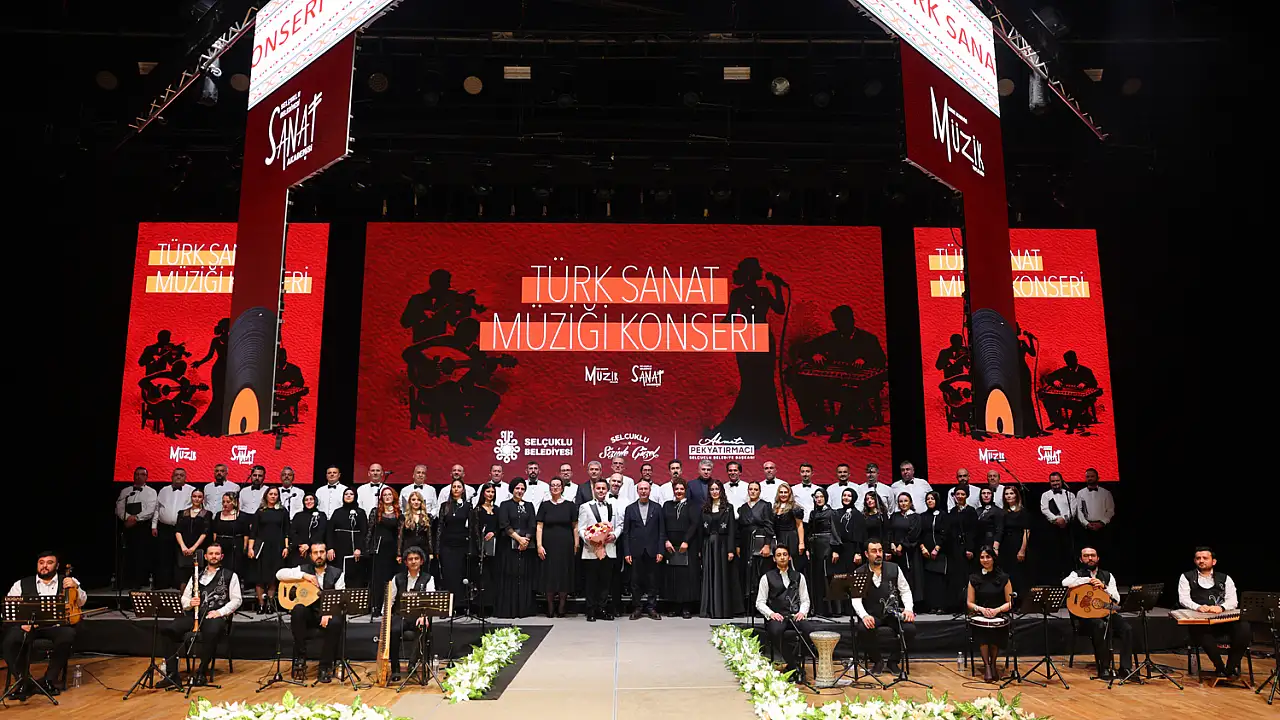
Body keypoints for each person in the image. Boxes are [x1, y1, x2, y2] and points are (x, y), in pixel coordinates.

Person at [712, 257, 799, 448]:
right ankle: (748, 432)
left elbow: (780, 309)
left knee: (766, 384)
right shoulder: (737, 294)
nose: (762, 271)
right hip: (746, 340)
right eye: (758, 269)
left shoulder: (764, 292)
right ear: (751, 273)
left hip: (764, 339)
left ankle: (772, 432)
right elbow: (730, 317)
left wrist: (777, 287)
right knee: (750, 384)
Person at [790, 304, 886, 443]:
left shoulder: (868, 338)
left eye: (843, 323)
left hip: (865, 384)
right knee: (802, 385)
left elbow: (881, 360)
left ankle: (840, 429)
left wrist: (864, 360)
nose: (839, 326)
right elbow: (805, 349)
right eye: (837, 323)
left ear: (851, 321)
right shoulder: (832, 337)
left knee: (850, 390)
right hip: (837, 381)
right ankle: (816, 422)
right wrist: (814, 355)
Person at [160, 543, 242, 687]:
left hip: (214, 616)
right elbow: (184, 599)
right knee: (168, 630)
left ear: (222, 556)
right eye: (211, 554)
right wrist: (190, 603)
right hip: (194, 615)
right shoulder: (196, 575)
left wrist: (220, 612)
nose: (214, 556)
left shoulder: (230, 575)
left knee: (211, 631)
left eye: (217, 554)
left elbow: (237, 600)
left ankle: (201, 672)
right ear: (205, 556)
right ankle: (172, 674)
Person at [3, 552, 83, 698]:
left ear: (57, 566)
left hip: (55, 627)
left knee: (68, 634)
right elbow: (10, 608)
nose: (44, 566)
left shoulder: (67, 581)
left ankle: (49, 680)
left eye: (49, 563)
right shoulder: (21, 584)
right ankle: (23, 681)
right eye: (41, 562)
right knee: (10, 640)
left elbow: (82, 601)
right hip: (29, 626)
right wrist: (21, 624)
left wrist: (76, 587)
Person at [275, 543, 345, 682]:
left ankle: (325, 667)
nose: (319, 555)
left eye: (322, 552)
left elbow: (340, 598)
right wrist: (304, 575)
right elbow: (279, 574)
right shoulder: (303, 569)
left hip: (327, 614)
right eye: (315, 552)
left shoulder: (337, 573)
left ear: (326, 554)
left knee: (336, 621)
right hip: (309, 614)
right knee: (298, 610)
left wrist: (328, 612)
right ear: (310, 555)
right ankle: (301, 658)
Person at [1178, 547, 1250, 680]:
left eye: (1205, 558)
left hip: (1224, 620)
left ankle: (1231, 667)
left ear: (1214, 561)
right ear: (1195, 561)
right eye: (1198, 558)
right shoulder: (1186, 577)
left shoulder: (1225, 578)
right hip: (1201, 622)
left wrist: (1222, 608)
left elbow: (1233, 601)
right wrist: (1198, 607)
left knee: (1244, 628)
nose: (1201, 561)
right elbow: (1184, 599)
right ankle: (1220, 667)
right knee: (1201, 632)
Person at [1062, 547, 1133, 679]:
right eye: (1086, 556)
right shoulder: (1076, 574)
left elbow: (1116, 599)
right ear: (1081, 559)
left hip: (1106, 613)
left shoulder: (1107, 576)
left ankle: (1125, 668)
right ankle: (1104, 668)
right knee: (1100, 625)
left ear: (1098, 558)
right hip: (1084, 618)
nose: (1090, 558)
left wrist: (1104, 587)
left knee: (1126, 628)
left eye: (1093, 555)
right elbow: (1065, 583)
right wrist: (1087, 580)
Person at [853, 539, 918, 675]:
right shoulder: (859, 572)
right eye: (874, 551)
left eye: (880, 550)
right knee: (863, 629)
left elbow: (905, 591)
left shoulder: (894, 568)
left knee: (910, 629)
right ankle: (877, 661)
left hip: (892, 613)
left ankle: (893, 661)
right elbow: (856, 599)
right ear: (866, 554)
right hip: (872, 614)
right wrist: (864, 616)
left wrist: (908, 609)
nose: (878, 554)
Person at [756, 546, 816, 675]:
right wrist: (771, 614)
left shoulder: (799, 576)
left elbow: (805, 600)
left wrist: (802, 612)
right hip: (777, 616)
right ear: (774, 559)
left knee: (810, 630)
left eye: (785, 554)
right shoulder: (766, 577)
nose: (782, 557)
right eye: (778, 555)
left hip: (795, 615)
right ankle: (794, 666)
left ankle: (795, 662)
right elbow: (760, 602)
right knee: (775, 631)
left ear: (789, 557)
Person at [386, 547, 435, 681]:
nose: (413, 562)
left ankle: (412, 664)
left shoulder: (428, 579)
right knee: (393, 630)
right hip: (400, 615)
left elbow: (430, 601)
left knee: (422, 628)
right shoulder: (397, 578)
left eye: (416, 559)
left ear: (422, 561)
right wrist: (386, 618)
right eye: (410, 559)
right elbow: (390, 600)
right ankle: (395, 669)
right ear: (405, 562)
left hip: (418, 616)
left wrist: (424, 616)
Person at [967, 546, 1013, 682]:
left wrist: (997, 610)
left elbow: (1010, 602)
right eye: (982, 557)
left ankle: (993, 663)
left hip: (998, 613)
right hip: (981, 614)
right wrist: (981, 609)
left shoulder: (1004, 578)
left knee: (995, 631)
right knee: (982, 631)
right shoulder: (974, 578)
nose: (985, 560)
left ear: (993, 558)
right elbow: (969, 602)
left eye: (988, 557)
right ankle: (987, 665)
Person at [580, 478, 623, 621]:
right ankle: (591, 610)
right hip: (592, 550)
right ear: (594, 490)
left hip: (609, 549)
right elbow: (581, 528)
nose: (601, 491)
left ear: (607, 490)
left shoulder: (613, 506)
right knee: (591, 582)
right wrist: (590, 539)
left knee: (606, 582)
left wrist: (614, 535)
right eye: (598, 488)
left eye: (603, 488)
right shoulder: (585, 506)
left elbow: (620, 525)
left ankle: (602, 608)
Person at [623, 479, 667, 620]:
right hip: (635, 551)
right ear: (637, 491)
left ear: (650, 490)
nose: (643, 491)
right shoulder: (630, 508)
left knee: (652, 581)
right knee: (635, 582)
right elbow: (626, 532)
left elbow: (661, 531)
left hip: (653, 550)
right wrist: (627, 552)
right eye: (641, 489)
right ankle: (637, 607)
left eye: (646, 489)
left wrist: (660, 550)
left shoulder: (657, 508)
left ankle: (651, 607)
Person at [537, 477, 577, 618]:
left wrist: (576, 543)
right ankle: (550, 606)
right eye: (552, 485)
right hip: (548, 545)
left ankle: (562, 605)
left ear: (562, 488)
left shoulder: (570, 505)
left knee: (563, 574)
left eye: (558, 485)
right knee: (549, 575)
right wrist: (539, 545)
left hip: (565, 545)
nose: (555, 487)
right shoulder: (544, 505)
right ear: (549, 488)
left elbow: (575, 526)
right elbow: (539, 526)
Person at [496, 480, 537, 618]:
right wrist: (518, 538)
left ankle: (524, 609)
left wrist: (526, 540)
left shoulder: (529, 505)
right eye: (517, 488)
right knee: (511, 575)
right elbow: (504, 524)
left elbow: (532, 524)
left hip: (526, 546)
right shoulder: (505, 505)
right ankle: (509, 609)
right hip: (508, 546)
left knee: (524, 575)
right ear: (512, 489)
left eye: (522, 489)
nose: (520, 491)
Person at [700, 480, 741, 618]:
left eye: (717, 489)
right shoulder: (705, 508)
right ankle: (709, 609)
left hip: (722, 545)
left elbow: (731, 530)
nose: (714, 492)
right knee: (709, 575)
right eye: (712, 489)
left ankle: (721, 610)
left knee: (721, 576)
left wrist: (731, 550)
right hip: (708, 545)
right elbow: (701, 530)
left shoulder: (728, 508)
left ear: (721, 491)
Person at [662, 480, 700, 618]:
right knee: (673, 577)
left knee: (686, 577)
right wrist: (666, 540)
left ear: (685, 490)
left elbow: (694, 524)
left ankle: (686, 608)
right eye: (676, 489)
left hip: (687, 546)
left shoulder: (692, 505)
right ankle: (674, 606)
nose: (679, 491)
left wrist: (686, 541)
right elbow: (662, 524)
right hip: (671, 546)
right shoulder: (667, 505)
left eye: (681, 489)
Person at [248, 486, 289, 613]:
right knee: (260, 577)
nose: (273, 496)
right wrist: (250, 548)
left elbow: (286, 531)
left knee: (273, 576)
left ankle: (270, 604)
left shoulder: (283, 511)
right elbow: (253, 532)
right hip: (262, 547)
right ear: (266, 495)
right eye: (271, 494)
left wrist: (286, 547)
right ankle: (261, 604)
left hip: (277, 547)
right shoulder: (260, 511)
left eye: (275, 494)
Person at [116, 467, 157, 588]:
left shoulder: (151, 492)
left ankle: (138, 582)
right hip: (126, 525)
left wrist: (136, 518)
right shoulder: (126, 491)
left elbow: (150, 509)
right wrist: (126, 518)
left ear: (146, 477)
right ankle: (124, 581)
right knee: (126, 553)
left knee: (140, 554)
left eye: (142, 474)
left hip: (142, 526)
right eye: (137, 474)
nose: (139, 476)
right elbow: (119, 507)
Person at [737, 481, 775, 609]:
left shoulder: (765, 506)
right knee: (746, 572)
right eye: (751, 489)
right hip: (745, 542)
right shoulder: (743, 508)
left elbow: (769, 526)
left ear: (759, 491)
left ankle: (760, 605)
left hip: (760, 541)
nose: (753, 491)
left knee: (759, 572)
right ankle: (747, 605)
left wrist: (767, 544)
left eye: (756, 489)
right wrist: (737, 545)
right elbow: (739, 528)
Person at [154, 468, 195, 589]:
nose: (178, 477)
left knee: (181, 556)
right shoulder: (164, 490)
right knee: (164, 555)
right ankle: (162, 583)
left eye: (181, 475)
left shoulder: (191, 490)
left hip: (183, 529)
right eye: (176, 475)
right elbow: (157, 508)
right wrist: (153, 526)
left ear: (185, 478)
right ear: (171, 477)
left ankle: (179, 584)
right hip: (165, 527)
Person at [435, 479, 471, 612]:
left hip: (462, 545)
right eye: (454, 486)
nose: (456, 489)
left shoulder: (468, 506)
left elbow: (471, 527)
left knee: (461, 575)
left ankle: (461, 606)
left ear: (463, 490)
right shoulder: (445, 506)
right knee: (448, 575)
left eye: (459, 486)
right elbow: (440, 527)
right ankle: (448, 607)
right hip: (447, 546)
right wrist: (437, 548)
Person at [1041, 350, 1099, 434]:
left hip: (1084, 398)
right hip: (1067, 398)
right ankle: (1057, 422)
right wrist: (1055, 381)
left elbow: (1094, 383)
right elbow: (1049, 377)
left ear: (1076, 359)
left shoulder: (1086, 371)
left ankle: (1071, 426)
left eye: (1071, 361)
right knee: (1047, 400)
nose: (1069, 363)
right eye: (1067, 361)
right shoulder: (1065, 370)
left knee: (1078, 403)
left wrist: (1085, 383)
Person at [806, 487, 843, 615]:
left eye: (821, 496)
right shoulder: (813, 513)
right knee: (817, 578)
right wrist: (808, 548)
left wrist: (835, 550)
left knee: (828, 577)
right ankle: (819, 609)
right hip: (815, 547)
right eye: (816, 497)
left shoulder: (832, 512)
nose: (819, 499)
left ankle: (832, 609)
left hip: (828, 545)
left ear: (825, 498)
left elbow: (835, 531)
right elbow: (809, 531)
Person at [366, 486, 403, 617]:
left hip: (392, 550)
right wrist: (368, 547)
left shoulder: (399, 513)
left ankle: (388, 607)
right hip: (379, 549)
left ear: (394, 497)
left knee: (390, 579)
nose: (387, 497)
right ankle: (376, 606)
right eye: (385, 495)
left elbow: (400, 535)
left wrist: (399, 553)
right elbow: (370, 531)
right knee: (378, 579)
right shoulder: (376, 511)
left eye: (389, 494)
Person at [189, 318, 228, 436]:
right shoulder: (221, 340)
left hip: (223, 370)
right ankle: (213, 426)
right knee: (219, 397)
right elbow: (209, 356)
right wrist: (199, 363)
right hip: (221, 370)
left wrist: (199, 363)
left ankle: (217, 425)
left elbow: (209, 356)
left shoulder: (218, 340)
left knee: (222, 397)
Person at [1039, 472, 1077, 581]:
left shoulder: (1069, 494)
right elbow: (1044, 509)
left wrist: (1064, 519)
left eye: (1057, 481)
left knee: (1068, 552)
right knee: (1054, 553)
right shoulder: (1046, 495)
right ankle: (1055, 578)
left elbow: (1073, 509)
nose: (1055, 483)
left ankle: (1069, 577)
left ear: (1062, 481)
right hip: (1052, 528)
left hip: (1067, 527)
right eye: (1053, 481)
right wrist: (1056, 519)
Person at [947, 486, 979, 612]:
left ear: (967, 496)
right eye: (958, 494)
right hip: (955, 548)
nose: (960, 496)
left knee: (966, 575)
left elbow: (973, 531)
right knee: (956, 576)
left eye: (962, 494)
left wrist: (970, 548)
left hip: (967, 547)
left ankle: (969, 604)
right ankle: (957, 605)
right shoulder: (953, 511)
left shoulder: (971, 511)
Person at [327, 488, 367, 586]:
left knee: (354, 576)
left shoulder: (360, 512)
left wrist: (359, 548)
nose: (348, 496)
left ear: (355, 496)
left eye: (351, 494)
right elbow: (330, 531)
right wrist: (330, 548)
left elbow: (364, 532)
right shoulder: (337, 512)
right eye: (346, 494)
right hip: (339, 549)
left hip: (354, 550)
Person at [918, 491, 949, 614]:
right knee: (929, 581)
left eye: (932, 499)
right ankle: (931, 606)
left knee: (939, 580)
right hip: (925, 552)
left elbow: (945, 534)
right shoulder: (923, 516)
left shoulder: (943, 515)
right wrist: (923, 548)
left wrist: (937, 548)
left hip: (940, 552)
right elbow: (919, 533)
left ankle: (941, 605)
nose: (930, 501)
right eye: (928, 499)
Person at [887, 492, 923, 601]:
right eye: (901, 501)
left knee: (910, 577)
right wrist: (892, 543)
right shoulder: (894, 516)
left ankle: (911, 603)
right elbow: (890, 531)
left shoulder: (916, 517)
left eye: (906, 501)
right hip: (895, 553)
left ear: (910, 502)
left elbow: (914, 533)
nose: (903, 503)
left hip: (910, 552)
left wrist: (902, 545)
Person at [998, 486, 1031, 600]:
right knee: (1007, 574)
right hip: (1005, 546)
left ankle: (1020, 601)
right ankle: (1009, 600)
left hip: (1018, 545)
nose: (1008, 496)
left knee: (1019, 574)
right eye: (1006, 494)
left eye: (1011, 493)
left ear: (1016, 495)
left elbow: (1027, 531)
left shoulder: (1022, 512)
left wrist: (1022, 550)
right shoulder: (1002, 512)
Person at [473, 483, 500, 614]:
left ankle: (493, 607)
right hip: (482, 549)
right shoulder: (477, 510)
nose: (490, 494)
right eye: (488, 491)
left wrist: (494, 533)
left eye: (492, 492)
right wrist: (480, 549)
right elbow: (475, 530)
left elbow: (500, 526)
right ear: (483, 493)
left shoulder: (497, 509)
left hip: (495, 548)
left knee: (494, 578)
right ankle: (482, 607)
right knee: (483, 578)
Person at [1076, 468, 1114, 559]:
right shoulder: (1080, 493)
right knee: (1087, 552)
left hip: (1103, 528)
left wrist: (1102, 523)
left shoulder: (1106, 493)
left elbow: (1110, 510)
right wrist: (1086, 523)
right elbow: (1078, 511)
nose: (1090, 478)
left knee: (1104, 552)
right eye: (1088, 477)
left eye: (1092, 476)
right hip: (1087, 528)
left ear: (1098, 478)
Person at [174, 489, 212, 582]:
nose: (197, 499)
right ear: (191, 498)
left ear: (203, 499)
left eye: (199, 497)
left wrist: (193, 548)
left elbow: (205, 533)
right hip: (183, 548)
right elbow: (178, 531)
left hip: (199, 548)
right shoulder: (182, 513)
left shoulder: (207, 514)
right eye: (194, 496)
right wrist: (183, 546)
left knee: (198, 577)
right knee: (183, 578)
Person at [211, 492, 248, 582]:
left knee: (234, 569)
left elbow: (246, 534)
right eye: (223, 502)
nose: (225, 504)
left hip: (235, 544)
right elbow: (215, 532)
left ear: (234, 502)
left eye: (228, 502)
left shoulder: (242, 516)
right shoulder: (218, 515)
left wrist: (244, 548)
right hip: (221, 544)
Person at [289, 494, 328, 568]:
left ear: (315, 501)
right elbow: (292, 531)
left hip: (315, 549)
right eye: (306, 500)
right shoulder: (298, 515)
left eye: (311, 499)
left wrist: (308, 545)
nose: (309, 501)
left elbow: (321, 532)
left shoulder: (322, 515)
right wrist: (301, 545)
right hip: (299, 550)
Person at [771, 483, 805, 563]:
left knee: (792, 561)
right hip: (779, 538)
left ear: (789, 494)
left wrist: (801, 543)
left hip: (791, 538)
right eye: (781, 492)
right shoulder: (775, 507)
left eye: (785, 492)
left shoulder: (795, 508)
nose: (783, 494)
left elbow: (799, 525)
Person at [400, 491, 432, 564]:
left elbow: (429, 536)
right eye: (413, 500)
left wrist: (431, 552)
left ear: (421, 502)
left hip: (423, 549)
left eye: (418, 500)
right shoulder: (404, 517)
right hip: (408, 549)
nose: (416, 502)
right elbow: (400, 536)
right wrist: (399, 554)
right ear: (410, 502)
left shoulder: (427, 516)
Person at [975, 486, 1005, 553]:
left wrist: (995, 547)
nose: (986, 495)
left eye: (988, 493)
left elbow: (999, 530)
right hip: (978, 543)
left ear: (992, 495)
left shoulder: (998, 511)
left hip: (991, 543)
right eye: (983, 493)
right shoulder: (977, 510)